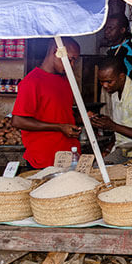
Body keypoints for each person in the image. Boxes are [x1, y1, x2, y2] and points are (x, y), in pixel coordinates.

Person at [11, 38, 82, 169]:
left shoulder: (65, 80)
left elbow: (58, 112)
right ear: (56, 52)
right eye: (70, 59)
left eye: (74, 61)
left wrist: (82, 117)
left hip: (68, 156)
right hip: (44, 159)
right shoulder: (32, 82)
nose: (71, 65)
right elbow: (18, 121)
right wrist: (60, 127)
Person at [104, 13, 132, 83]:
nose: (106, 31)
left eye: (110, 28)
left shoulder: (129, 50)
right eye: (105, 27)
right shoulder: (112, 49)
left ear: (122, 30)